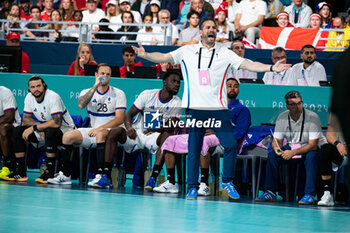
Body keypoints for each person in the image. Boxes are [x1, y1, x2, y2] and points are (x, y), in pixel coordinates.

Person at [132, 18, 290, 200]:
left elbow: (248, 64)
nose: (211, 30)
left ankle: (228, 181)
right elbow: (164, 57)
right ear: (200, 32)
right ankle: (193, 187)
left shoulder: (225, 54)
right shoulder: (187, 51)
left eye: (214, 28)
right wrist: (145, 54)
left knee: (230, 144)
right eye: (207, 27)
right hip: (195, 109)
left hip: (219, 109)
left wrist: (272, 68)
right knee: (194, 148)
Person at [91, 71, 182, 188]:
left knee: (167, 136)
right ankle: (106, 176)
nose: (177, 85)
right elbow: (128, 115)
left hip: (153, 136)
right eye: (173, 81)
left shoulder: (177, 102)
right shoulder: (147, 95)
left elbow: (171, 126)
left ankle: (153, 178)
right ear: (164, 82)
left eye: (178, 82)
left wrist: (154, 128)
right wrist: (129, 128)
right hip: (136, 134)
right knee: (115, 132)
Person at [48, 63, 126, 185]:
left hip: (111, 130)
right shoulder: (86, 92)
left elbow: (119, 119)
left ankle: (101, 175)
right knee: (68, 136)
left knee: (100, 134)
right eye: (102, 74)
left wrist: (100, 128)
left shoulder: (119, 93)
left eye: (107, 74)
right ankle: (66, 175)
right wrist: (96, 85)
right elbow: (81, 105)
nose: (104, 76)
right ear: (96, 75)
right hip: (93, 130)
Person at [2, 75, 75, 183]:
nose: (36, 89)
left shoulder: (53, 96)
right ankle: (20, 171)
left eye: (38, 86)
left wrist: (36, 127)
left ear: (44, 86)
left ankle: (49, 172)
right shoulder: (29, 97)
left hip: (65, 132)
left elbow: (56, 122)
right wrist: (39, 128)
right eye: (33, 87)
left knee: (50, 131)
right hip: (44, 130)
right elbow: (26, 119)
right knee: (17, 131)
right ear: (29, 89)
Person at [256, 91, 324, 205]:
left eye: (300, 103)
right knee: (272, 155)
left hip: (310, 148)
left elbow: (313, 145)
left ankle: (310, 194)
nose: (298, 107)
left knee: (312, 156)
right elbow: (276, 141)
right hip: (293, 146)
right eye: (293, 104)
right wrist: (277, 149)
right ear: (287, 106)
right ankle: (270, 191)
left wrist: (293, 152)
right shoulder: (282, 117)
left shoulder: (312, 117)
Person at [318, 113, 348, 206]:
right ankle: (327, 194)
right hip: (341, 152)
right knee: (325, 148)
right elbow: (330, 135)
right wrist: (338, 144)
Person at [0, 86, 21, 179]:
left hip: (13, 125)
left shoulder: (5, 92)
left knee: (3, 129)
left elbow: (9, 117)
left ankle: (6, 166)